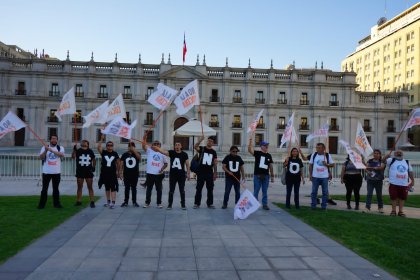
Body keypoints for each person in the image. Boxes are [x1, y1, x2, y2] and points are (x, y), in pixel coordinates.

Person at [152, 142, 190, 210]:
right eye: (176, 145)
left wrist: (188, 173)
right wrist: (157, 148)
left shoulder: (184, 154)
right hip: (173, 175)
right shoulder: (172, 152)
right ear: (174, 146)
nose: (177, 146)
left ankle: (183, 205)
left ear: (181, 146)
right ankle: (170, 205)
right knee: (171, 190)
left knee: (182, 190)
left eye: (179, 145)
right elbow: (163, 152)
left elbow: (187, 164)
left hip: (181, 175)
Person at [384, 150, 414, 217]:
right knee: (393, 197)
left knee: (402, 198)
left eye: (400, 152)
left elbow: (410, 172)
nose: (399, 153)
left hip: (404, 184)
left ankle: (400, 211)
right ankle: (393, 211)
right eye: (397, 152)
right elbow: (383, 161)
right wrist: (386, 156)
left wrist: (412, 180)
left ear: (403, 154)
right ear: (394, 154)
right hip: (393, 183)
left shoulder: (407, 162)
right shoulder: (391, 160)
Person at [38, 135, 65, 209]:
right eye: (52, 138)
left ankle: (56, 204)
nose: (54, 140)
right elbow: (41, 157)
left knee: (56, 189)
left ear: (57, 140)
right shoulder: (44, 147)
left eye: (55, 139)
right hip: (46, 172)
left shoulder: (60, 148)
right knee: (44, 189)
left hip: (56, 172)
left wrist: (52, 150)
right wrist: (46, 150)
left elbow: (61, 155)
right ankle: (41, 205)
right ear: (50, 140)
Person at [248, 138, 274, 210]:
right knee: (256, 190)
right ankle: (254, 203)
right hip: (257, 175)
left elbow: (270, 166)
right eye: (265, 145)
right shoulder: (258, 153)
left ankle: (264, 204)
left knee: (265, 190)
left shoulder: (269, 155)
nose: (266, 146)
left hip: (266, 175)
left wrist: (272, 176)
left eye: (267, 145)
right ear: (261, 146)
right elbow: (250, 150)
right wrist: (250, 143)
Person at [193, 136, 218, 209]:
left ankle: (210, 203)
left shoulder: (214, 152)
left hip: (209, 172)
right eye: (208, 140)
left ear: (213, 143)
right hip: (201, 172)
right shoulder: (202, 148)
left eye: (211, 141)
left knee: (210, 189)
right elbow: (195, 146)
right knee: (199, 188)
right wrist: (200, 139)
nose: (209, 142)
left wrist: (215, 173)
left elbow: (215, 163)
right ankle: (197, 203)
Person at [142, 140, 168, 208]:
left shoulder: (162, 153)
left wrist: (162, 169)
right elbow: (143, 146)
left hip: (159, 174)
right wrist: (144, 138)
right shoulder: (149, 151)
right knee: (149, 189)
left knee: (159, 189)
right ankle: (147, 202)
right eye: (154, 143)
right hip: (150, 173)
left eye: (158, 144)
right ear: (152, 145)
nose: (156, 145)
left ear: (160, 145)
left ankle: (159, 203)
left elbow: (166, 163)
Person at [309, 143, 334, 210]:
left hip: (324, 177)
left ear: (323, 148)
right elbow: (310, 165)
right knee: (314, 192)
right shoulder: (314, 155)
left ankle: (323, 206)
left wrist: (327, 164)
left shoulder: (327, 155)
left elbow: (332, 165)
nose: (318, 149)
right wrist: (310, 175)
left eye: (319, 148)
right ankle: (313, 205)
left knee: (325, 192)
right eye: (317, 147)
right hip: (315, 176)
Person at [72, 140, 96, 208]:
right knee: (79, 187)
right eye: (82, 142)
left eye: (85, 142)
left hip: (88, 171)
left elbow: (94, 159)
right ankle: (79, 201)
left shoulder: (90, 151)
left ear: (87, 144)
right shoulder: (78, 150)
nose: (83, 143)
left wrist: (93, 167)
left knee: (90, 187)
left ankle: (92, 201)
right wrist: (74, 150)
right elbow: (73, 157)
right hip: (80, 171)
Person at [98, 141, 120, 209]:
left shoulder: (115, 153)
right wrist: (101, 139)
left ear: (113, 146)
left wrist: (118, 172)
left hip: (112, 173)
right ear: (106, 146)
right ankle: (108, 201)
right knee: (107, 188)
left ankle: (113, 202)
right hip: (105, 173)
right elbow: (99, 147)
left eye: (111, 145)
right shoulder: (104, 152)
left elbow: (118, 163)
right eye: (108, 145)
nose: (109, 146)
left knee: (113, 188)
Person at [120, 142, 141, 207]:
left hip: (135, 174)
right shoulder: (124, 154)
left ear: (134, 147)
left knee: (134, 188)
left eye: (132, 146)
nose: (130, 147)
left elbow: (139, 158)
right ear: (128, 147)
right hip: (126, 174)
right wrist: (120, 172)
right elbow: (121, 164)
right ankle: (126, 202)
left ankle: (134, 202)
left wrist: (134, 150)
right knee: (127, 188)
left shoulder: (137, 153)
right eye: (129, 146)